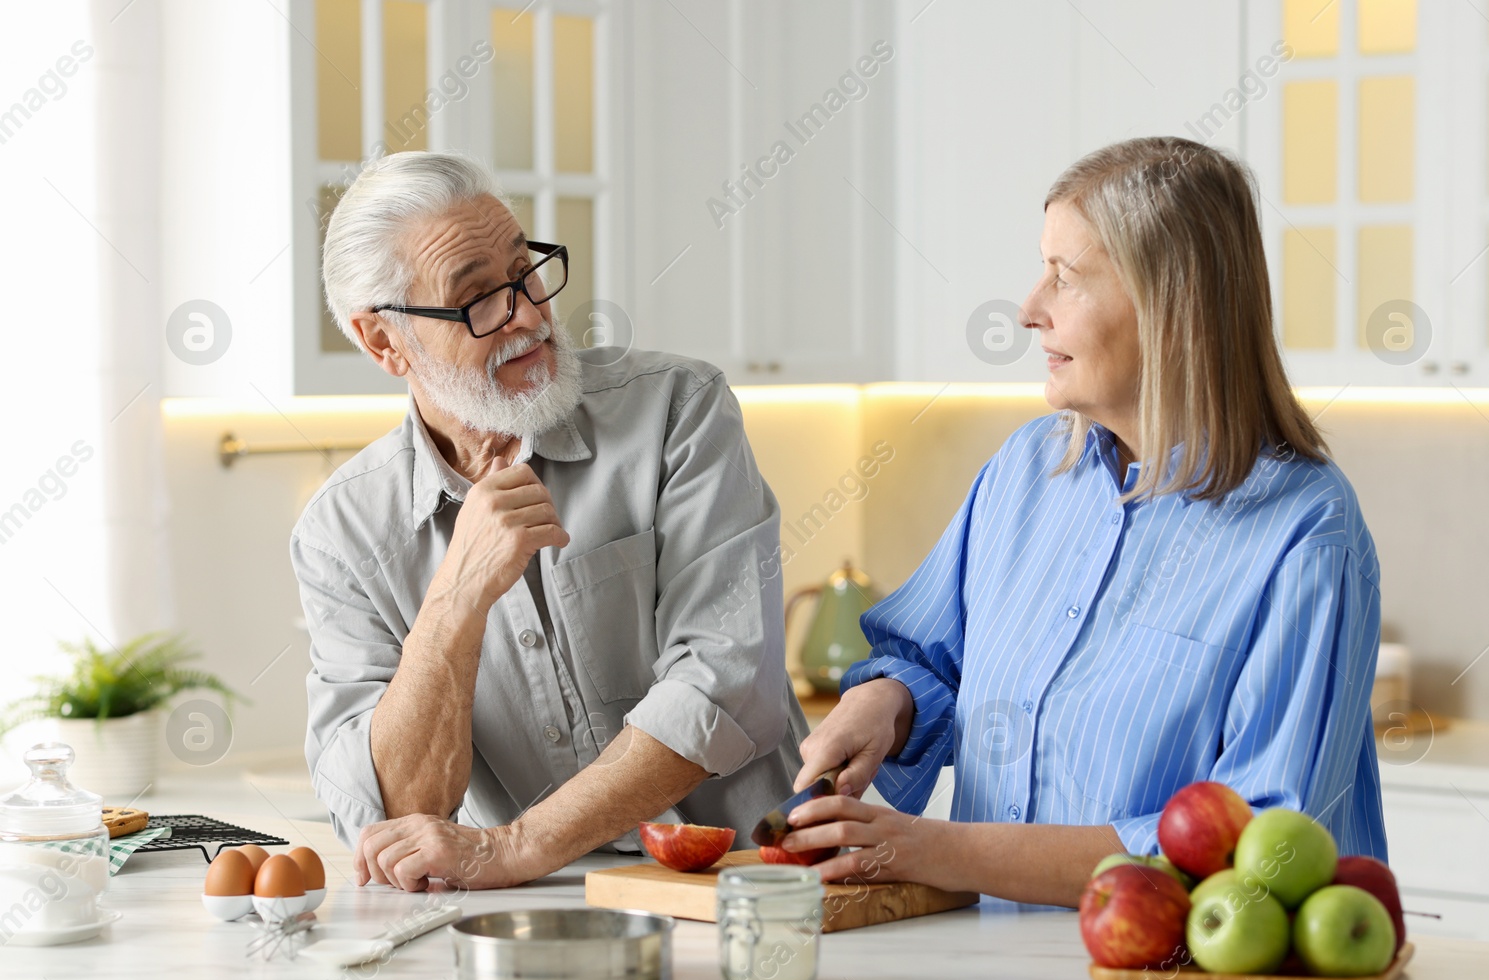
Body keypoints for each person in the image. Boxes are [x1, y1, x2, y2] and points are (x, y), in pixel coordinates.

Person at [784, 137, 1386, 905]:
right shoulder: (1024, 472)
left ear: (1169, 305)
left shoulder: (1305, 532)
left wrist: (939, 850)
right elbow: (932, 660)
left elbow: (1262, 842)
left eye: (1063, 279)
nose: (1029, 309)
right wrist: (885, 703)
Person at [291, 151, 805, 890]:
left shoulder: (677, 410)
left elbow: (722, 682)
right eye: (478, 299)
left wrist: (516, 846)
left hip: (752, 884)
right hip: (529, 915)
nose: (529, 315)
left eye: (525, 272)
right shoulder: (341, 535)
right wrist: (454, 601)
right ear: (383, 341)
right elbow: (392, 814)